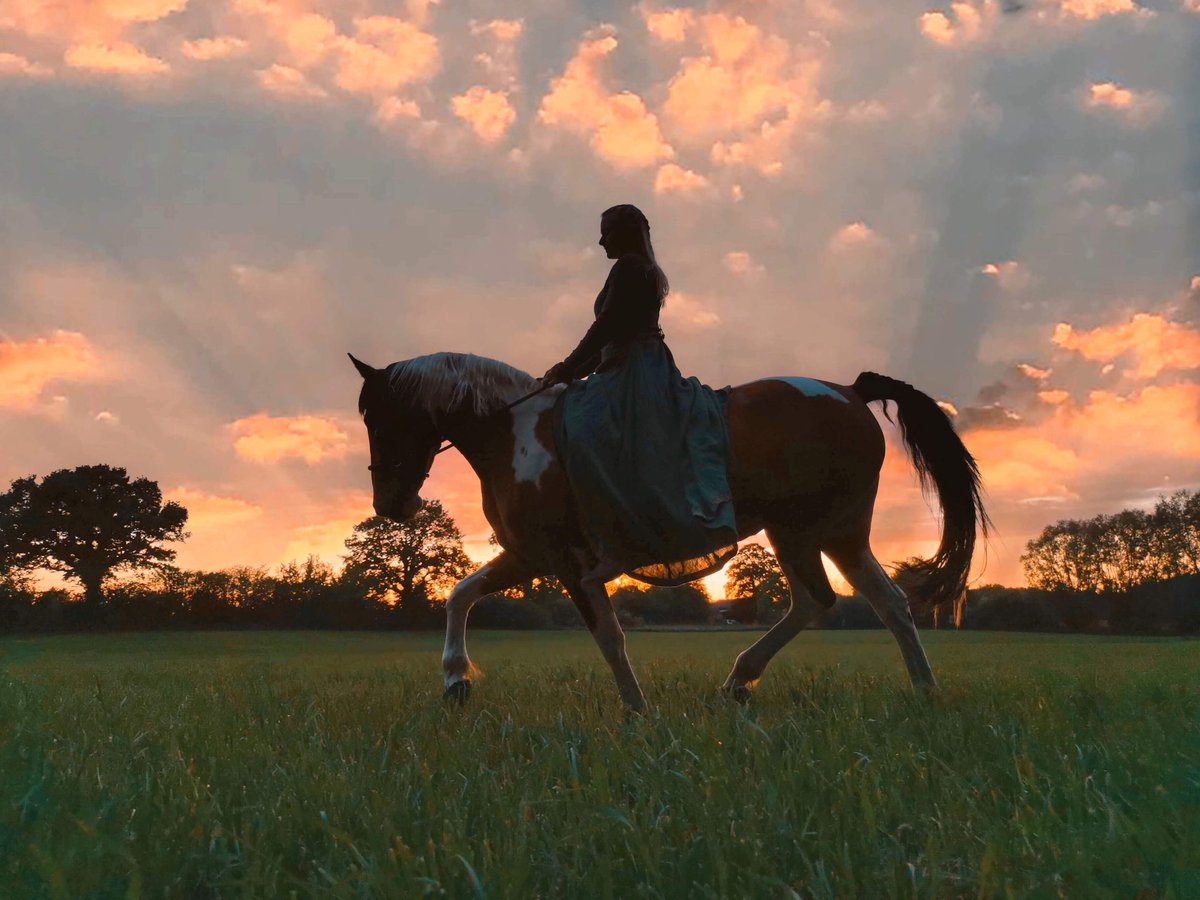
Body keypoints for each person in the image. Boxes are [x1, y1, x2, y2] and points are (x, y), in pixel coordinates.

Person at [540, 204, 738, 586]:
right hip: (621, 364)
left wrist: (566, 367)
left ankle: (620, 544)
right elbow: (607, 335)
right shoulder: (634, 268)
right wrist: (570, 373)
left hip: (635, 369)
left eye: (607, 231)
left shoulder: (629, 267)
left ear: (626, 232)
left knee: (583, 431)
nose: (600, 241)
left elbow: (608, 325)